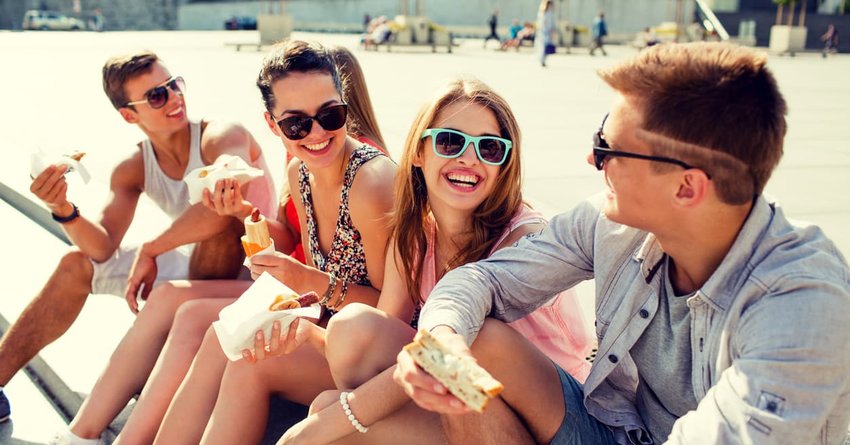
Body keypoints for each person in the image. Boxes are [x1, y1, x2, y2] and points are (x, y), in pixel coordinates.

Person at [396, 42, 850, 445]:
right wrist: (441, 339)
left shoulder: (801, 304)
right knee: (469, 348)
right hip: (621, 428)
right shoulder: (611, 222)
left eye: (610, 148)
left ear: (686, 188)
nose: (591, 159)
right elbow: (484, 279)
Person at [53, 43, 392, 445]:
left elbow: (390, 312)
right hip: (323, 318)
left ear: (345, 104)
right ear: (272, 124)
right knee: (221, 337)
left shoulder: (370, 178)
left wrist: (304, 280)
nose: (316, 132)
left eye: (330, 114)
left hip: (364, 343)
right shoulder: (302, 170)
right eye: (296, 124)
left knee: (230, 343)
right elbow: (296, 242)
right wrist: (245, 213)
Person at [274, 77, 593, 445]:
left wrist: (334, 420)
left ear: (504, 165)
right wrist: (307, 335)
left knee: (330, 422)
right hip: (467, 400)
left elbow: (448, 360)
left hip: (552, 421)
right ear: (418, 153)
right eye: (450, 141)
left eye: (490, 149)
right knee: (351, 332)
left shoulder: (523, 240)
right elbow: (377, 349)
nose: (469, 158)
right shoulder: (416, 237)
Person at [0, 49, 276, 427]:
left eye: (173, 85)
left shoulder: (221, 134)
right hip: (191, 265)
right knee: (75, 264)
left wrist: (152, 248)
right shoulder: (134, 166)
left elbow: (222, 203)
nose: (174, 98)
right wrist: (62, 206)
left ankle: (156, 362)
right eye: (157, 96)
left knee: (224, 219)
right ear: (130, 115)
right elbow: (101, 246)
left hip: (253, 271)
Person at [536, 0, 556, 67]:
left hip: (549, 32)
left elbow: (552, 23)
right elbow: (541, 23)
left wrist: (553, 31)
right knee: (543, 47)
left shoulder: (551, 13)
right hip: (543, 32)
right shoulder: (542, 13)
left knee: (547, 47)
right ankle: (541, 60)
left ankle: (543, 60)